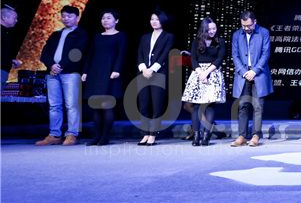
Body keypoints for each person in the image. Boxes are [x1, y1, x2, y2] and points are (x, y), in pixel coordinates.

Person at [35, 5, 89, 146]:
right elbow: (44, 53)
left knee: (72, 105)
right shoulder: (55, 34)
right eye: (64, 16)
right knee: (54, 105)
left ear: (77, 17)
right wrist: (51, 65)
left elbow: (77, 53)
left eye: (69, 16)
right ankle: (54, 134)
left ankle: (72, 134)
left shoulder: (81, 34)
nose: (66, 19)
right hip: (52, 74)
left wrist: (60, 66)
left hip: (70, 73)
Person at [82, 9, 127, 146]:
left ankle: (105, 136)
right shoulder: (97, 36)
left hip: (110, 74)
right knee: (95, 107)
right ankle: (96, 136)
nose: (105, 20)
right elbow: (90, 55)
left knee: (107, 106)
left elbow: (121, 54)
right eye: (103, 18)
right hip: (95, 74)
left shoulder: (120, 36)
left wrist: (116, 70)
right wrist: (85, 72)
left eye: (108, 18)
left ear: (116, 20)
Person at [230, 11, 272, 147]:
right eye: (243, 26)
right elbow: (235, 55)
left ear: (255, 22)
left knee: (258, 106)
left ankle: (256, 135)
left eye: (249, 25)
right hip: (242, 75)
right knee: (242, 105)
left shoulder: (263, 33)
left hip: (258, 74)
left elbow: (265, 54)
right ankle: (242, 136)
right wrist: (244, 72)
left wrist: (254, 71)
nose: (246, 28)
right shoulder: (237, 35)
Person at [181, 17, 226, 146]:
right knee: (196, 106)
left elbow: (219, 59)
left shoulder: (220, 41)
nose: (212, 31)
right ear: (204, 29)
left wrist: (207, 73)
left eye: (214, 28)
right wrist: (200, 72)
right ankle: (196, 136)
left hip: (213, 73)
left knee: (209, 106)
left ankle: (207, 136)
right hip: (198, 73)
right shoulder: (196, 41)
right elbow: (193, 59)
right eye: (209, 29)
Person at [136, 11, 174, 146]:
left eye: (157, 19)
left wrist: (152, 69)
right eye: (152, 19)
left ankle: (153, 134)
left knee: (157, 105)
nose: (154, 22)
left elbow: (164, 54)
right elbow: (140, 54)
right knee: (144, 105)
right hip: (143, 73)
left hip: (158, 73)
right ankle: (145, 133)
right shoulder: (145, 37)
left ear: (162, 20)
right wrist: (143, 69)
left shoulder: (168, 36)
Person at [1, 4, 22, 89]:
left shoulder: (6, 33)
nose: (16, 20)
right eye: (14, 18)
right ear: (4, 17)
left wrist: (11, 60)